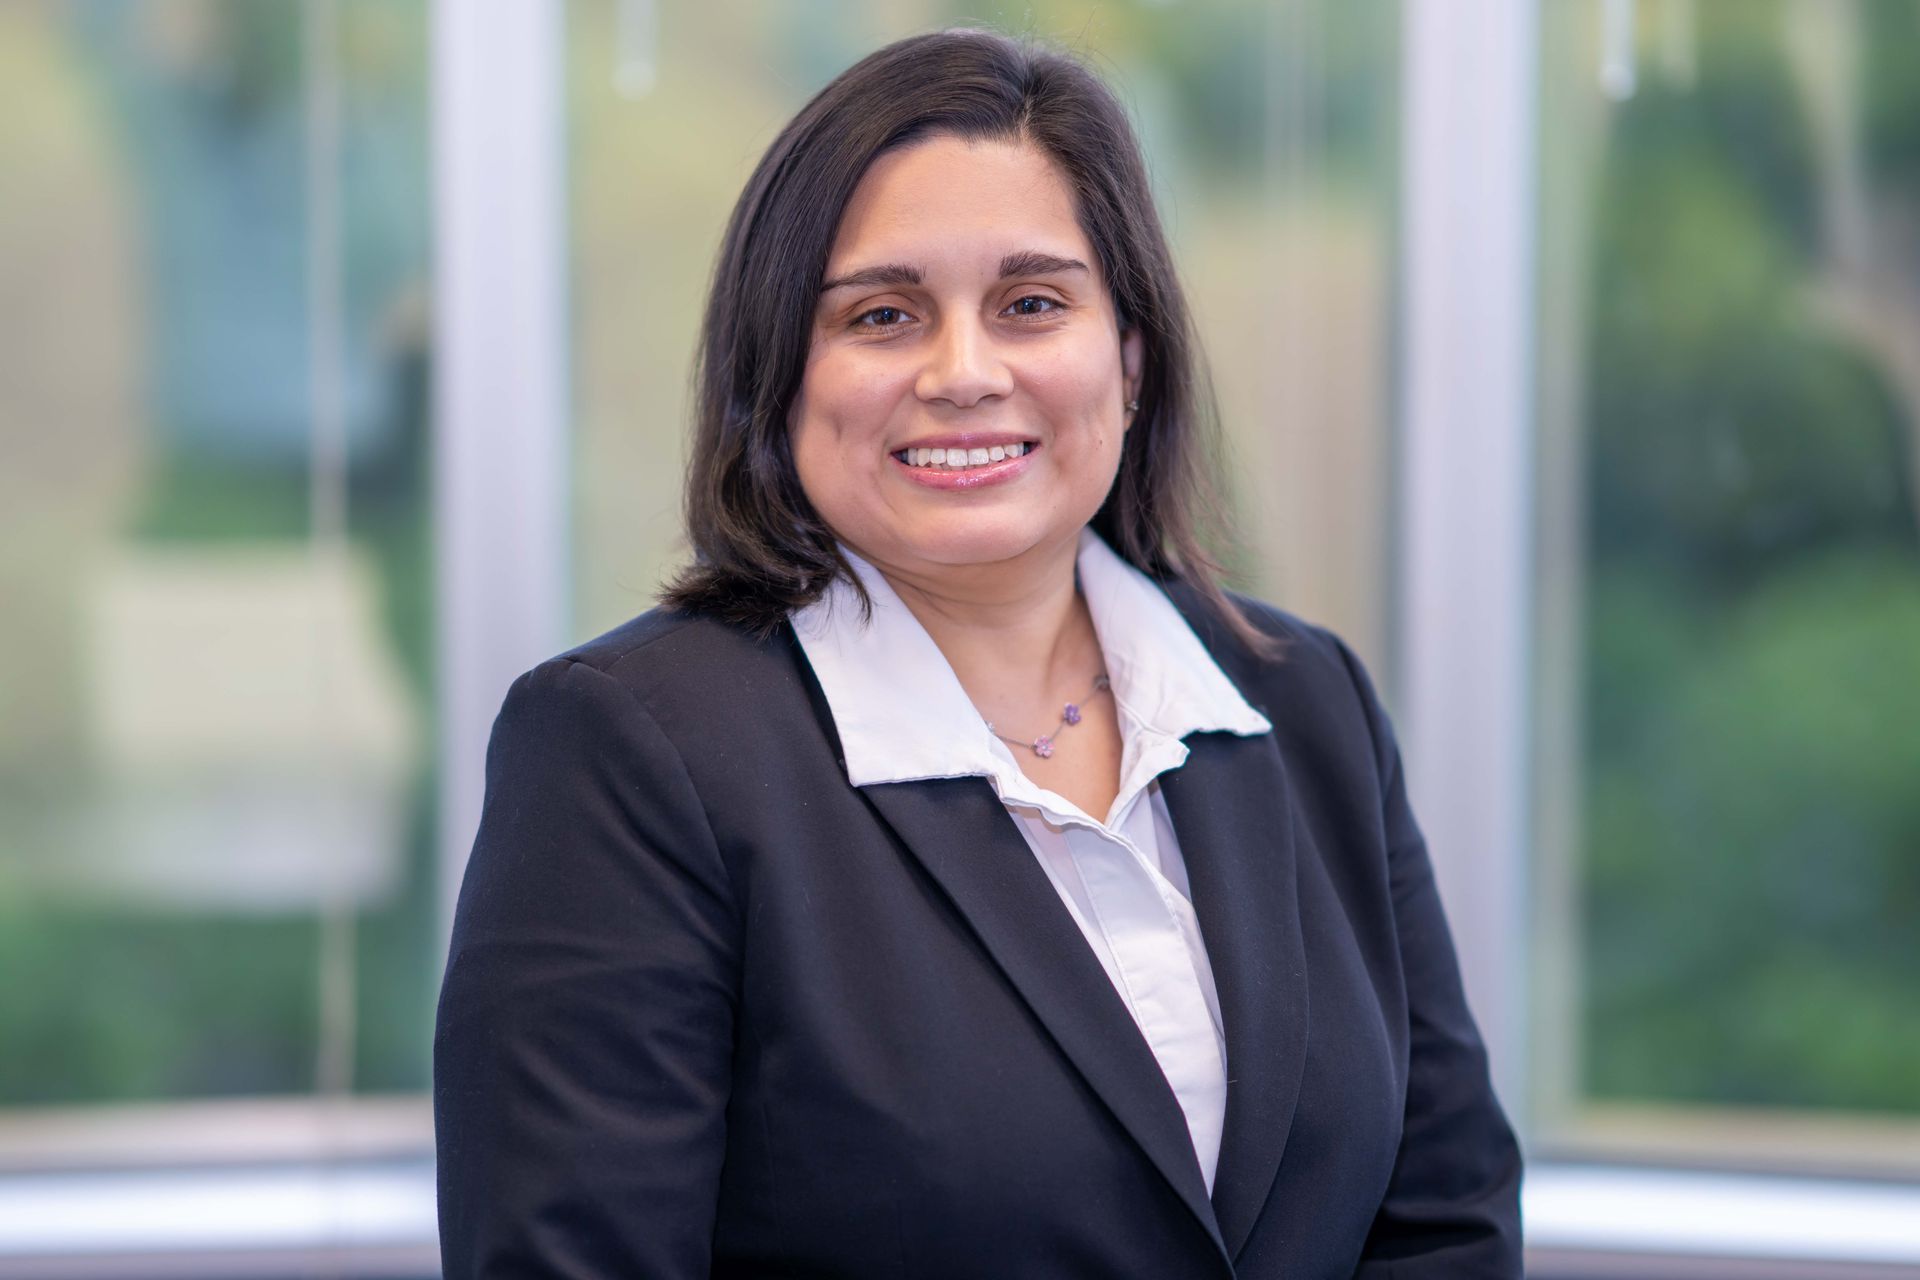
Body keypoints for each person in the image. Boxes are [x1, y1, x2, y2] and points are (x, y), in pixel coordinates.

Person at [433, 26, 1522, 1279]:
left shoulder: (1300, 696)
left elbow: (1446, 1219)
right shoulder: (628, 752)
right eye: (883, 314)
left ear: (1129, 356)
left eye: (1033, 303)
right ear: (783, 375)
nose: (963, 372)